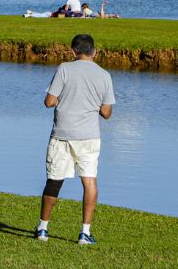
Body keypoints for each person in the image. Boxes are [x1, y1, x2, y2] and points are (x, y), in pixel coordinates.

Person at [35, 33, 115, 246]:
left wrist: (64, 97)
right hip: (89, 136)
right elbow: (107, 113)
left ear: (73, 52)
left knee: (54, 181)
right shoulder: (104, 75)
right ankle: (84, 233)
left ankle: (43, 229)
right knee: (89, 181)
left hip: (62, 134)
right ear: (94, 51)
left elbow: (49, 102)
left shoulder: (64, 68)